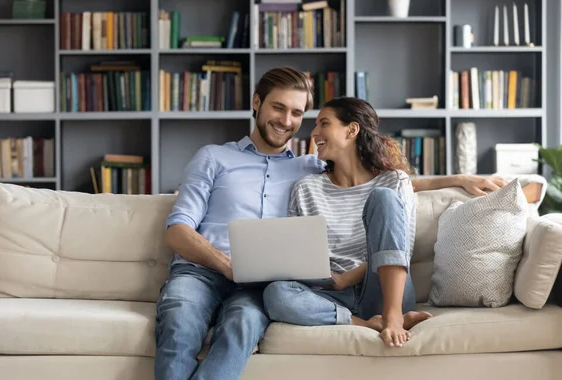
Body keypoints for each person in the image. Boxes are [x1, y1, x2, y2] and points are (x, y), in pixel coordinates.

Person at [155, 67, 505, 380]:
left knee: (243, 324)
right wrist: (228, 265)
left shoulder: (308, 166)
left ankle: (386, 316)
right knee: (180, 322)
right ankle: (367, 321)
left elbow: (379, 182)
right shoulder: (216, 157)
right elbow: (177, 229)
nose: (288, 121)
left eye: (297, 113)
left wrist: (456, 179)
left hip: (260, 285)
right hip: (202, 272)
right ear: (257, 103)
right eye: (278, 108)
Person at [263, 96, 433, 349]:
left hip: (383, 289)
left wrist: (346, 279)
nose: (315, 132)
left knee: (383, 198)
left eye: (324, 123)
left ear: (352, 130)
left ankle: (394, 316)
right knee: (275, 294)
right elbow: (299, 256)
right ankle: (365, 324)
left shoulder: (393, 181)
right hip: (329, 296)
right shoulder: (306, 188)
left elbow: (398, 252)